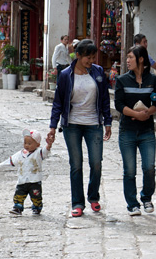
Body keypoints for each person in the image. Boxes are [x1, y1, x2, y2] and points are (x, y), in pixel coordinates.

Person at [47, 39, 112, 217]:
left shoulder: (98, 72)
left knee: (96, 162)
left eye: (93, 57)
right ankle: (77, 202)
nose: (91, 61)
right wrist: (53, 127)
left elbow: (105, 98)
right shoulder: (66, 75)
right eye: (88, 58)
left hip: (94, 124)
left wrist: (107, 122)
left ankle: (93, 197)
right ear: (78, 56)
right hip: (72, 125)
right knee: (76, 164)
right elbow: (58, 103)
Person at [114, 45, 156, 216]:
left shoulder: (153, 80)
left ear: (141, 59)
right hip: (127, 130)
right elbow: (119, 104)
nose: (127, 61)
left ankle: (146, 198)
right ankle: (132, 203)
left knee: (149, 167)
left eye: (131, 57)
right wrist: (135, 114)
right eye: (127, 57)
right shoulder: (122, 80)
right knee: (130, 170)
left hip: (147, 130)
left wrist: (148, 112)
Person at [0, 129, 53, 215]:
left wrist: (49, 145)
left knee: (36, 196)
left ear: (37, 144)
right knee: (19, 195)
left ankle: (37, 207)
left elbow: (46, 151)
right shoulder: (20, 153)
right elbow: (13, 160)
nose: (26, 145)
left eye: (29, 143)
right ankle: (17, 207)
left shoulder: (39, 153)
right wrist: (2, 164)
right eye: (25, 143)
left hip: (35, 180)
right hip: (22, 180)